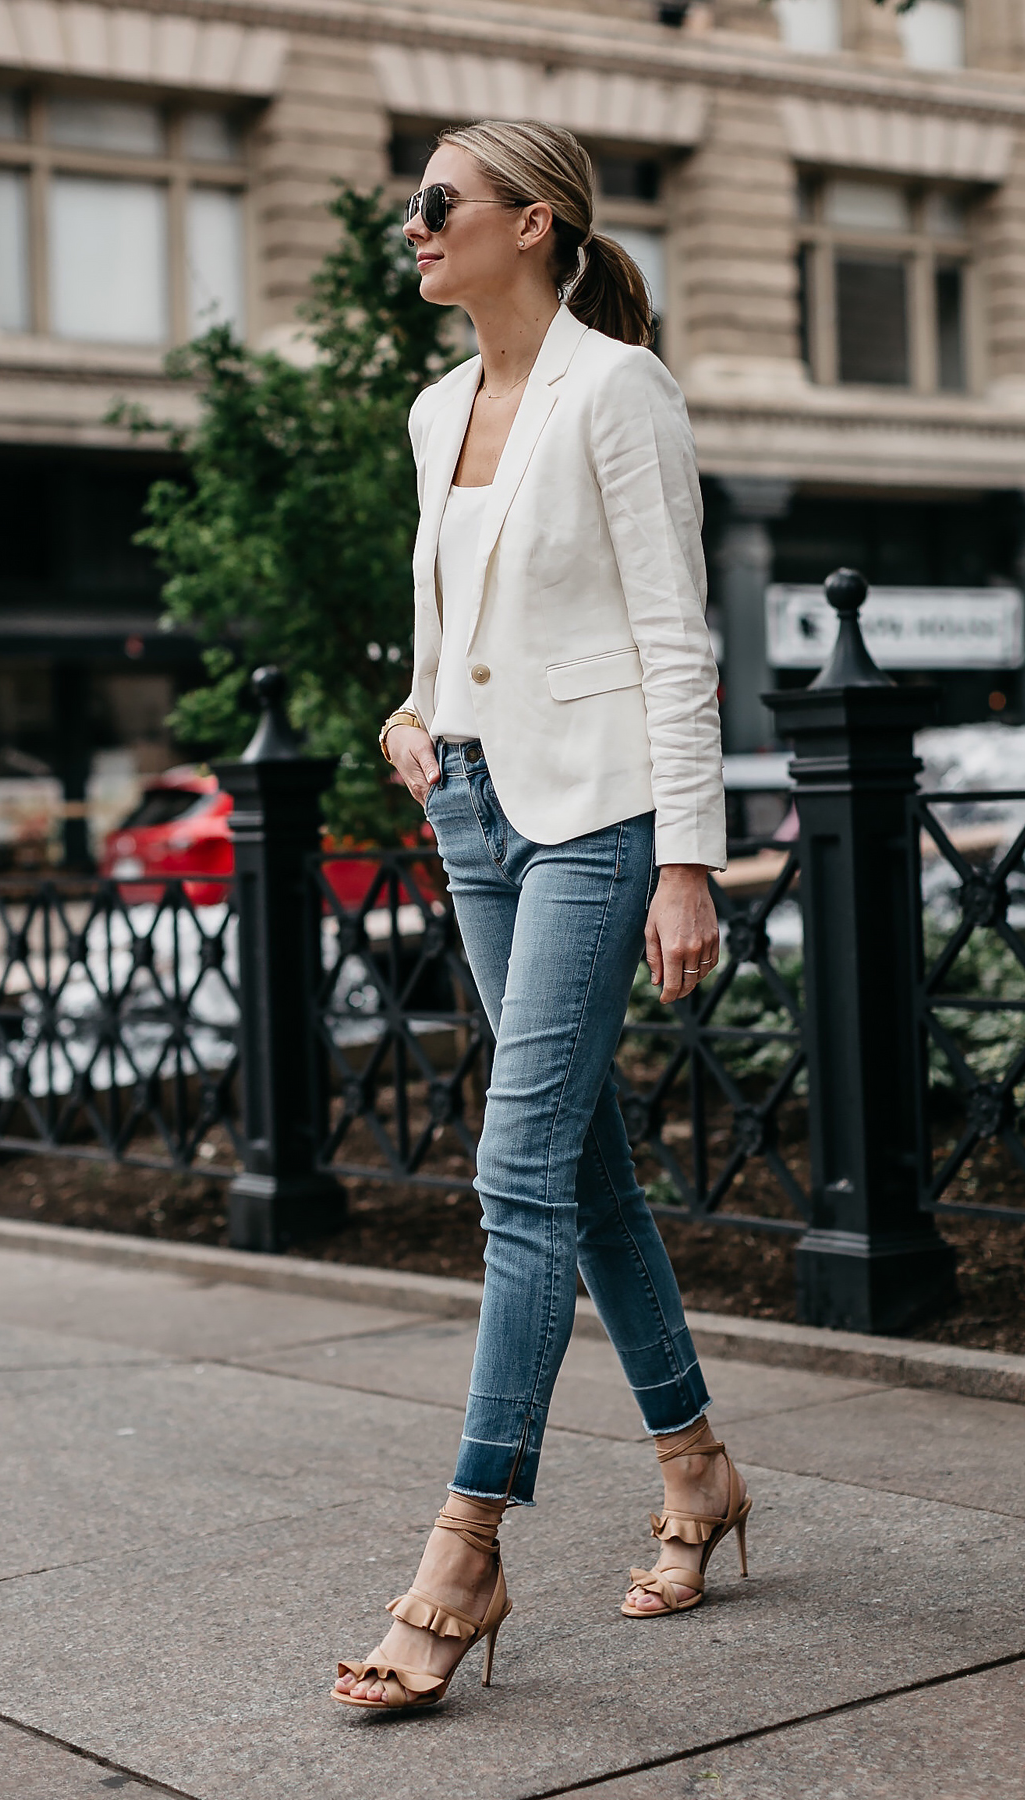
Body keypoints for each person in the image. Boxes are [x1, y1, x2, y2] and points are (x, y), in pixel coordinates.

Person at [333, 119, 749, 1715]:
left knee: (517, 1171)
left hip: (600, 816)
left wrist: (689, 860)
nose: (415, 226)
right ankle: (696, 1466)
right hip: (479, 809)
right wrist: (411, 713)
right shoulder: (440, 407)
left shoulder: (617, 389)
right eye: (412, 207)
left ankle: (467, 1542)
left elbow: (671, 633)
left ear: (531, 222)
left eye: (436, 204)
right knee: (582, 1172)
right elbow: (459, 616)